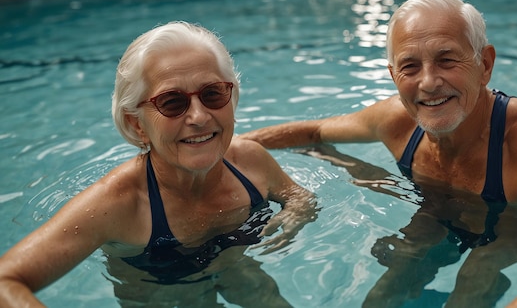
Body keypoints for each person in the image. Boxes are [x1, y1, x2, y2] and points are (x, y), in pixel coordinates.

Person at [239, 0, 517, 307]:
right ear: (393, 76)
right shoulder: (395, 120)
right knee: (382, 297)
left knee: (477, 278)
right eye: (410, 66)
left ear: (484, 64)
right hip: (434, 214)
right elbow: (311, 132)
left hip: (513, 229)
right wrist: (228, 149)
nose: (428, 83)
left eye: (447, 59)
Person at [0, 21, 317, 307]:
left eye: (213, 94)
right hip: (161, 293)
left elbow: (300, 197)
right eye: (171, 102)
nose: (199, 117)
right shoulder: (115, 205)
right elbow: (5, 281)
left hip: (233, 265)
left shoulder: (250, 160)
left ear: (231, 99)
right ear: (137, 124)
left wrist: (292, 219)